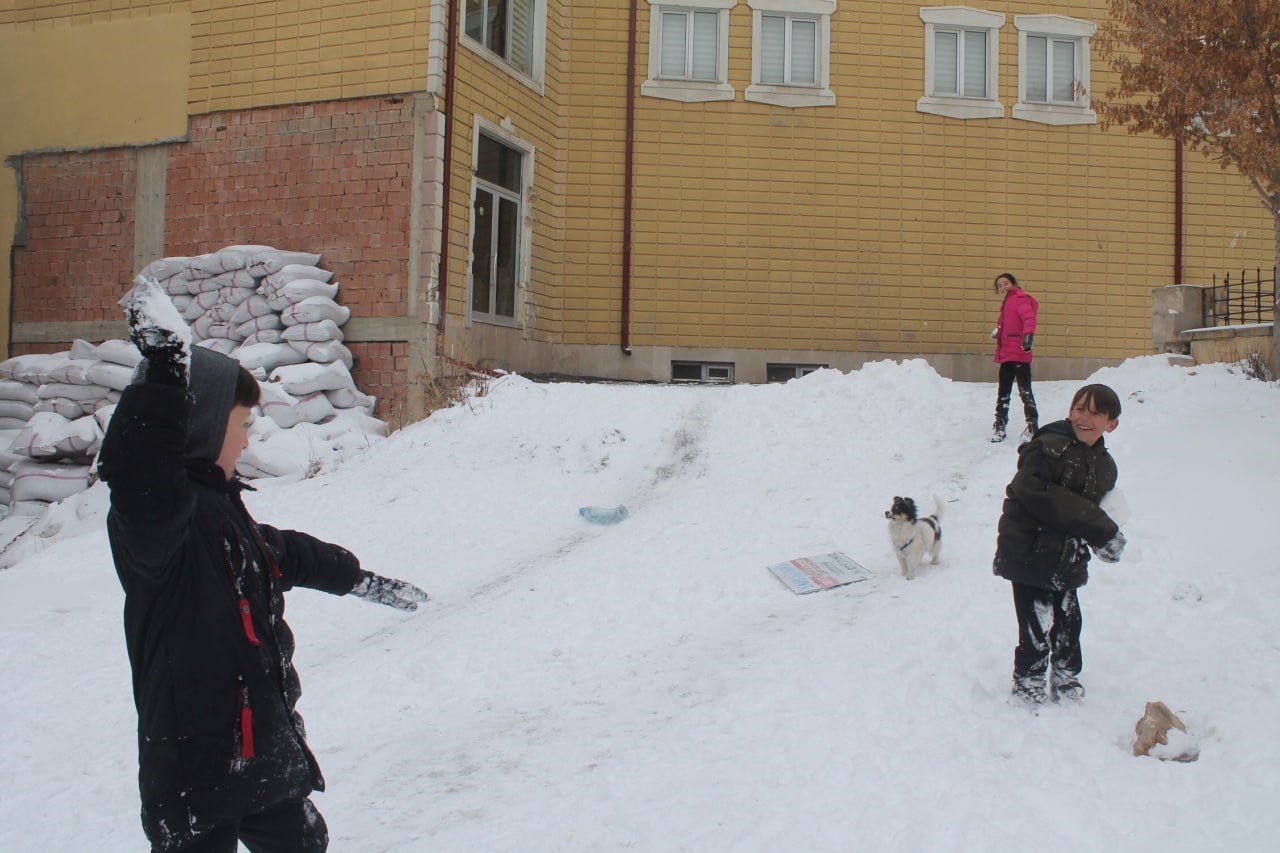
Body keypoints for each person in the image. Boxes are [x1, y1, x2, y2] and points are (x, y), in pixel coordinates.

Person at [98, 278, 430, 852]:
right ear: (201, 427)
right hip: (194, 770)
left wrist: (360, 580)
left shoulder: (227, 514)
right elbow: (138, 476)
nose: (247, 446)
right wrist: (162, 371)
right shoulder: (160, 531)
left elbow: (289, 554)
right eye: (241, 428)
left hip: (265, 750)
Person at [992, 383, 1127, 706]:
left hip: (1068, 556)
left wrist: (1104, 534)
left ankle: (1067, 674)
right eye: (1079, 409)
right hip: (1029, 552)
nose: (1084, 418)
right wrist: (1099, 527)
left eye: (1095, 413)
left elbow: (1096, 507)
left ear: (1111, 423)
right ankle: (1029, 680)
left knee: (1068, 621)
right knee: (1036, 623)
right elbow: (1037, 493)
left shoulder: (1105, 467)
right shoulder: (1047, 447)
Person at [989, 272, 1039, 444]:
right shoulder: (1008, 303)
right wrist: (1000, 332)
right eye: (1000, 285)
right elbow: (1012, 323)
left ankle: (1033, 427)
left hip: (1019, 353)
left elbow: (1029, 319)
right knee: (1003, 391)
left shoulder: (1020, 298)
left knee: (1025, 391)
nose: (1003, 287)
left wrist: (1027, 338)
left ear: (1013, 283)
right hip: (1007, 354)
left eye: (1005, 283)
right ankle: (1000, 426)